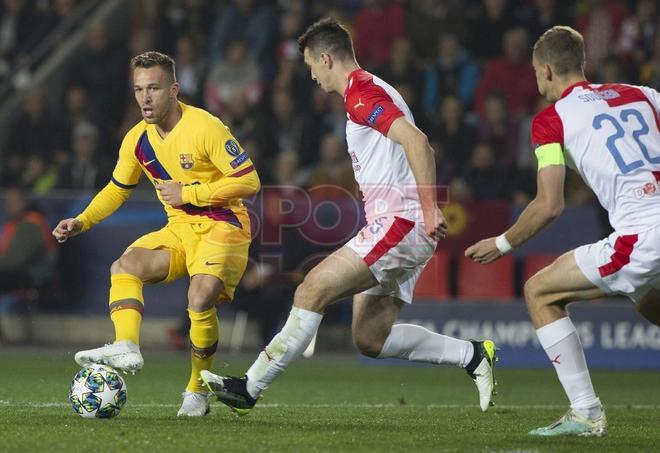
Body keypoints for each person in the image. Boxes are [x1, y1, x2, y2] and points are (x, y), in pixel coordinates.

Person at [200, 18, 497, 416]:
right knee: (370, 338)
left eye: (310, 66)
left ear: (325, 59)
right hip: (397, 224)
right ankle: (473, 355)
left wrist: (428, 208)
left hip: (401, 222)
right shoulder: (370, 90)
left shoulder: (361, 94)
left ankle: (249, 388)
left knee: (310, 289)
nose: (311, 75)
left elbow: (418, 141)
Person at [466, 26, 660, 437]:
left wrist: (502, 243)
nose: (538, 83)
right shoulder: (643, 94)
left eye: (537, 74)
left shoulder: (551, 121)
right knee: (648, 301)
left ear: (548, 70)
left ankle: (586, 413)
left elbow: (549, 205)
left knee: (539, 291)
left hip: (642, 237)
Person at [52, 51, 261, 417]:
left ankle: (197, 390)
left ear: (174, 90)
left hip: (223, 226)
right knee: (124, 266)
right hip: (179, 230)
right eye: (139, 89)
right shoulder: (137, 139)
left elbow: (249, 180)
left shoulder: (205, 126)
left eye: (154, 88)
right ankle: (127, 344)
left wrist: (190, 193)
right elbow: (118, 189)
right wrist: (81, 220)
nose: (145, 98)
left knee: (199, 298)